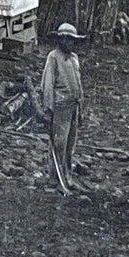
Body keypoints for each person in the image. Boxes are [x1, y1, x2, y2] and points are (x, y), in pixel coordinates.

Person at [40, 22, 85, 193]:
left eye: (72, 40)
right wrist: (48, 109)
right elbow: (48, 85)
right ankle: (55, 178)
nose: (70, 43)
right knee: (59, 143)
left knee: (70, 144)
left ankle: (67, 175)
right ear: (60, 40)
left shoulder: (74, 58)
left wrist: (81, 107)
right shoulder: (53, 57)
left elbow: (78, 84)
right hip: (60, 106)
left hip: (73, 106)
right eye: (67, 40)